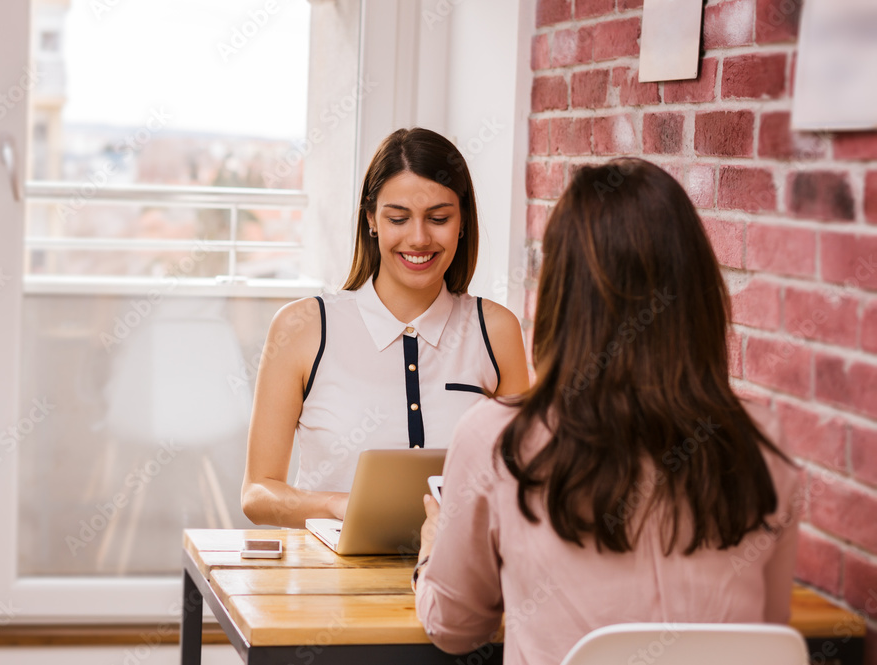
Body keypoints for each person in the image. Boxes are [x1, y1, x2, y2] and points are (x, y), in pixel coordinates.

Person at [413, 158, 801, 664]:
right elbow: (765, 634)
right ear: (697, 290)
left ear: (560, 293)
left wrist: (432, 547)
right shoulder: (763, 443)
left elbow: (456, 627)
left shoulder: (497, 439)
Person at [241, 128, 531, 528]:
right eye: (398, 218)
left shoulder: (496, 329)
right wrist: (338, 506)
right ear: (372, 220)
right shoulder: (303, 327)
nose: (418, 238)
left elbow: (522, 481)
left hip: (458, 579)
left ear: (462, 222)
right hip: (329, 583)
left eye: (439, 218)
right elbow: (257, 492)